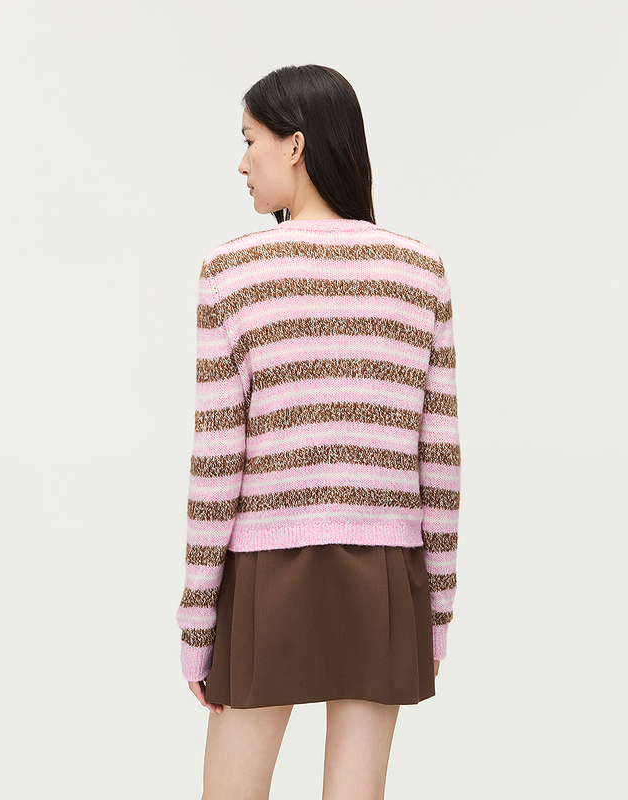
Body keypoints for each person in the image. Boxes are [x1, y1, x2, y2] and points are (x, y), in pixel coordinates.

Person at [176, 64, 460, 800]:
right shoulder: (420, 271)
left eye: (250, 140)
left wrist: (198, 620)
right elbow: (439, 463)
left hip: (265, 573)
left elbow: (217, 464)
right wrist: (435, 612)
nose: (243, 162)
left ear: (294, 144)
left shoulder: (231, 272)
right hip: (386, 574)